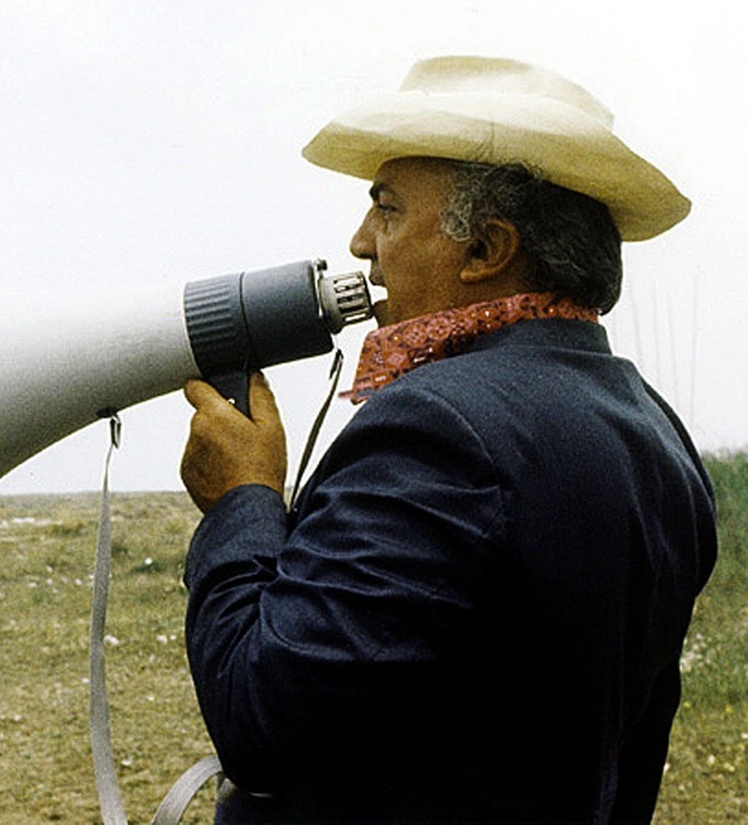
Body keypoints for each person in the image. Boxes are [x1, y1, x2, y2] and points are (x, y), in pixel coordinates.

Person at [179, 56, 718, 824]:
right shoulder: (655, 428)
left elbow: (260, 716)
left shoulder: (437, 427)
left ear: (486, 250)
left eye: (388, 209)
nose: (361, 242)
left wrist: (242, 499)